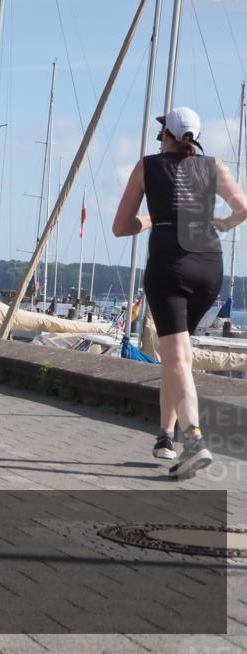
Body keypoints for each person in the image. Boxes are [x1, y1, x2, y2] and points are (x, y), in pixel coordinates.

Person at [113, 106, 247, 478]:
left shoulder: (147, 167)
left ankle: (194, 441)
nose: (159, 140)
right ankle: (165, 437)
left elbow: (120, 227)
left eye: (161, 135)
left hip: (170, 266)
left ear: (167, 136)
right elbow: (243, 207)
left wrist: (148, 220)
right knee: (179, 355)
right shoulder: (213, 166)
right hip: (209, 267)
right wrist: (225, 223)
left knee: (175, 359)